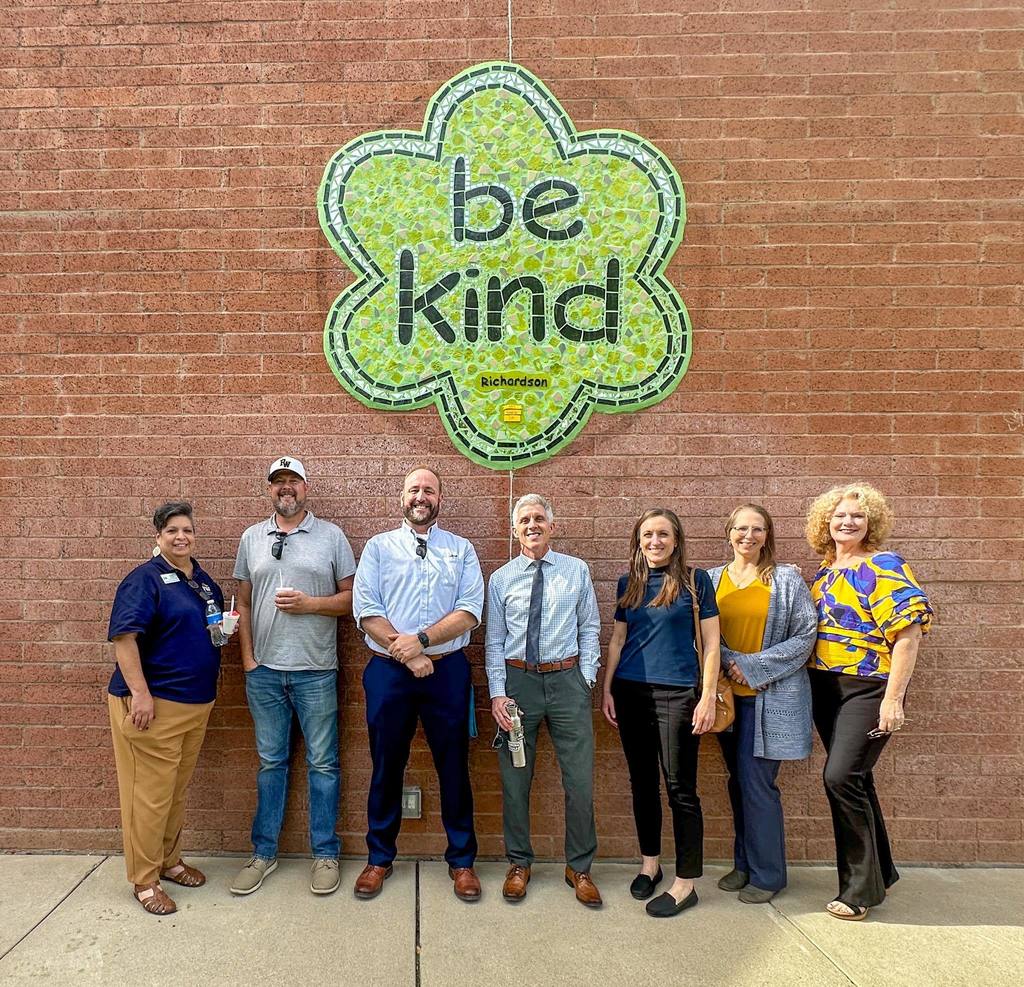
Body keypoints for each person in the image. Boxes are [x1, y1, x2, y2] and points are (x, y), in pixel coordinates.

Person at [352, 466, 484, 902]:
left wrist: (423, 644)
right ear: (401, 497)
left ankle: (462, 862)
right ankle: (379, 858)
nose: (420, 496)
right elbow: (367, 610)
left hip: (446, 671)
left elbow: (469, 611)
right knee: (386, 765)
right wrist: (407, 653)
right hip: (389, 672)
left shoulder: (460, 549)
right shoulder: (378, 547)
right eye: (414, 489)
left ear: (440, 498)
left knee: (454, 767)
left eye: (429, 490)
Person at [805, 482, 933, 921]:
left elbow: (909, 635)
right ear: (826, 522)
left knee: (840, 777)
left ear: (871, 522)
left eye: (857, 516)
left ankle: (859, 891)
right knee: (857, 779)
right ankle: (884, 873)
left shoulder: (883, 565)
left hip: (869, 688)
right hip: (826, 688)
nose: (848, 521)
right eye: (839, 515)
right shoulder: (823, 573)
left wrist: (893, 700)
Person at [230, 456, 356, 897]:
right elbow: (241, 603)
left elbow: (352, 600)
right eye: (278, 482)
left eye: (294, 482)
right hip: (263, 673)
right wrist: (248, 659)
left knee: (323, 764)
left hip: (316, 671)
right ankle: (263, 854)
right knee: (271, 765)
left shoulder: (331, 536)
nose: (287, 489)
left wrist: (310, 604)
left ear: (306, 488)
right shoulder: (251, 537)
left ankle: (325, 853)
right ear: (269, 490)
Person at [108, 501, 235, 915]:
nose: (181, 537)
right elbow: (124, 638)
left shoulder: (201, 582)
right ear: (157, 537)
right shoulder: (144, 580)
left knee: (174, 792)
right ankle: (144, 880)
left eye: (187, 530)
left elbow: (210, 633)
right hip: (154, 704)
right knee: (148, 796)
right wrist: (140, 693)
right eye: (172, 531)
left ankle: (169, 860)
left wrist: (223, 631)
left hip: (195, 704)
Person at [602, 508, 720, 917]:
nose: (655, 542)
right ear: (638, 540)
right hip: (631, 693)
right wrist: (607, 690)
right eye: (647, 535)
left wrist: (706, 697)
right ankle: (650, 864)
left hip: (678, 696)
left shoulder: (695, 581)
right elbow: (617, 641)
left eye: (663, 535)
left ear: (676, 540)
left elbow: (712, 643)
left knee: (680, 789)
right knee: (642, 784)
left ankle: (686, 883)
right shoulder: (628, 583)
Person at [487, 494, 603, 907]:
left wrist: (586, 677)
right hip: (519, 685)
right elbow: (495, 640)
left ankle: (579, 867)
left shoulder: (576, 571)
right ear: (514, 529)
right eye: (524, 520)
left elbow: (590, 626)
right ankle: (519, 862)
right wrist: (498, 693)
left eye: (539, 518)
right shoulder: (500, 579)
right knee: (516, 779)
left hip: (568, 681)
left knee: (579, 780)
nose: (532, 524)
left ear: (552, 526)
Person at [706, 504, 817, 904]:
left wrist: (750, 666)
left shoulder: (786, 580)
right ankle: (744, 865)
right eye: (740, 528)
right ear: (728, 532)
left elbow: (806, 636)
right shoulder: (712, 579)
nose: (748, 536)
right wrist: (730, 662)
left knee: (758, 785)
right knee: (739, 784)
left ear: (768, 535)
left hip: (769, 699)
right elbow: (704, 634)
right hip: (727, 702)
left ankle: (769, 876)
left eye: (757, 529)